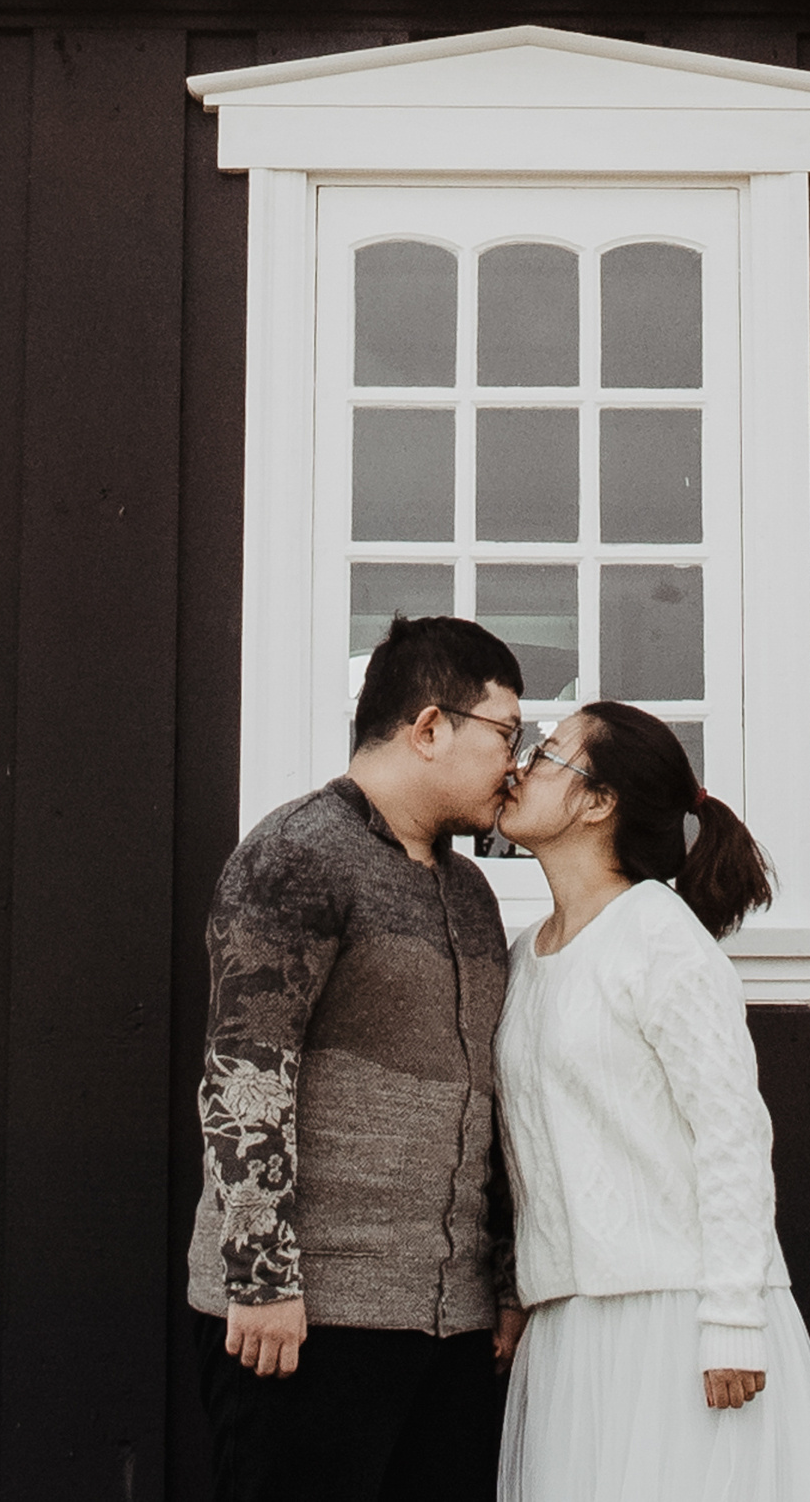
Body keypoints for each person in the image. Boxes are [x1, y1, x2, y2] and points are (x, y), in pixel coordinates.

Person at [187, 614, 535, 1501]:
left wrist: (496, 1281)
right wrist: (262, 1276)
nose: (517, 761)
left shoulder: (468, 891)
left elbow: (484, 1098)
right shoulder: (298, 854)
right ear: (429, 727)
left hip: (450, 1330)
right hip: (308, 1316)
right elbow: (245, 1072)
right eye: (505, 731)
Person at [490, 700, 810, 1501]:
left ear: (598, 800)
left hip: (681, 1328)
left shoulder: (661, 937)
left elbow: (732, 1133)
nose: (519, 765)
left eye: (547, 753)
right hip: (572, 1332)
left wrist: (732, 1321)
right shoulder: (524, 957)